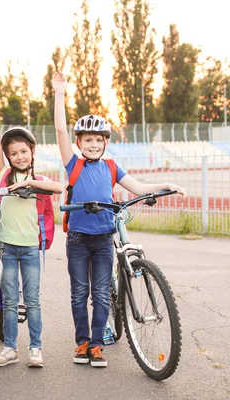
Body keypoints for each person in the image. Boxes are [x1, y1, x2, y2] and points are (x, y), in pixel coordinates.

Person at [52, 72, 186, 368]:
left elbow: (138, 188)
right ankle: (82, 343)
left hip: (102, 239)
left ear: (106, 142)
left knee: (100, 293)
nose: (94, 144)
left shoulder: (112, 167)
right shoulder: (74, 164)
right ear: (79, 142)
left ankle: (97, 345)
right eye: (88, 140)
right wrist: (59, 94)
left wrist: (167, 186)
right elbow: (60, 132)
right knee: (79, 293)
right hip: (76, 238)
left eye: (99, 140)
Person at [0, 84, 64, 368]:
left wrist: (28, 182)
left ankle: (35, 348)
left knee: (34, 300)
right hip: (8, 247)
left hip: (30, 249)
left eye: (23, 151)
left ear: (32, 151)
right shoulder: (3, 175)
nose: (19, 157)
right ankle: (11, 348)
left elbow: (59, 187)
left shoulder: (38, 180)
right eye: (14, 153)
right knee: (11, 300)